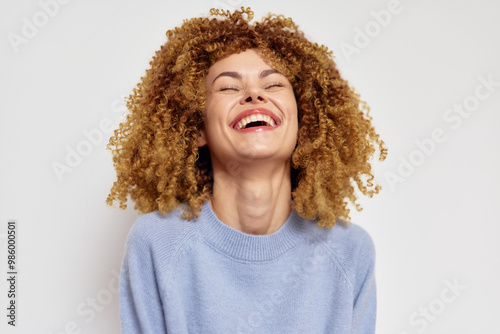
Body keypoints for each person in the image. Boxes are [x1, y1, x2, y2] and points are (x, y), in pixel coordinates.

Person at [107, 7, 387, 334]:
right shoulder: (157, 244)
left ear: (306, 122)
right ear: (195, 128)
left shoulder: (349, 251)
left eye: (273, 85)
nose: (254, 94)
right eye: (228, 87)